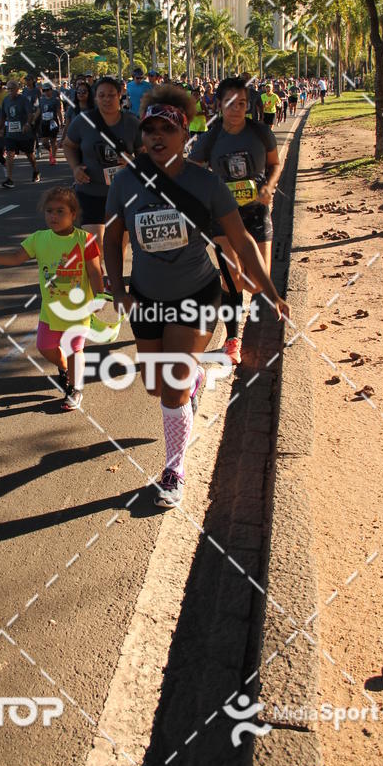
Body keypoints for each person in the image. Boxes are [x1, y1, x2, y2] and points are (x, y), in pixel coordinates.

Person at [104, 84, 289, 508]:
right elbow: (113, 239)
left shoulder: (205, 184)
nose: (154, 137)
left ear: (183, 133)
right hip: (146, 297)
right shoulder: (126, 183)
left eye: (165, 129)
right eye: (149, 129)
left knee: (171, 388)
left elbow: (241, 242)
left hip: (197, 295)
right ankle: (194, 379)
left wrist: (271, 290)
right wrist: (118, 289)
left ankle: (173, 470)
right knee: (155, 384)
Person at [0, 187, 103, 411]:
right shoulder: (39, 238)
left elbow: (94, 271)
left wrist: (99, 296)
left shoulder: (85, 240)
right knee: (45, 347)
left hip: (78, 311)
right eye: (49, 211)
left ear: (73, 213)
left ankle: (74, 388)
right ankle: (64, 369)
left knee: (74, 349)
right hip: (50, 311)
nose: (53, 216)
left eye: (60, 211)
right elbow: (15, 258)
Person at [190, 77, 281, 364]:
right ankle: (233, 339)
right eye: (230, 103)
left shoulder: (260, 132)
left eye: (241, 103)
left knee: (255, 283)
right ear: (219, 104)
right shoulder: (212, 136)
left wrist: (268, 186)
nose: (236, 109)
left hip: (256, 213)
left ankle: (222, 283)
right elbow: (192, 168)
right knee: (233, 280)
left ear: (249, 105)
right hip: (223, 217)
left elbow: (274, 164)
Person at [63, 76, 142, 276]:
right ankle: (98, 282)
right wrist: (75, 168)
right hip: (90, 190)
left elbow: (146, 156)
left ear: (120, 95)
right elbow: (69, 145)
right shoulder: (83, 121)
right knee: (95, 241)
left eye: (111, 95)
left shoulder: (132, 122)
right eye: (102, 95)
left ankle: (113, 278)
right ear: (95, 97)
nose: (107, 99)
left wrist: (131, 161)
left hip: (123, 194)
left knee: (118, 244)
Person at [0, 79, 39, 189]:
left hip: (24, 133)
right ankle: (9, 179)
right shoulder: (5, 101)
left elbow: (30, 114)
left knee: (29, 155)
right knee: (10, 154)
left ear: (17, 89)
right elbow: (3, 116)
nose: (10, 91)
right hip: (11, 133)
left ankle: (35, 170)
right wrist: (0, 128)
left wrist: (27, 124)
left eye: (12, 89)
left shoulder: (23, 100)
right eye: (8, 89)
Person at [40, 82, 62, 164]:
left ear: (51, 90)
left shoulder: (55, 100)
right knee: (44, 142)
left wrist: (61, 122)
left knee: (53, 140)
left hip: (53, 123)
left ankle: (53, 157)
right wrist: (33, 119)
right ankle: (50, 151)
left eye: (47, 90)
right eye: (44, 90)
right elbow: (39, 110)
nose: (46, 92)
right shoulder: (41, 100)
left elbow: (59, 111)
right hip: (44, 122)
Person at [22, 75, 41, 157]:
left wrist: (36, 114)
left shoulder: (37, 90)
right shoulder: (24, 90)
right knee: (28, 132)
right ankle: (31, 148)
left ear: (32, 81)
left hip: (35, 113)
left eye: (28, 80)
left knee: (34, 132)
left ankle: (37, 149)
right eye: (26, 80)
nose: (27, 82)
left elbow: (40, 103)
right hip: (27, 114)